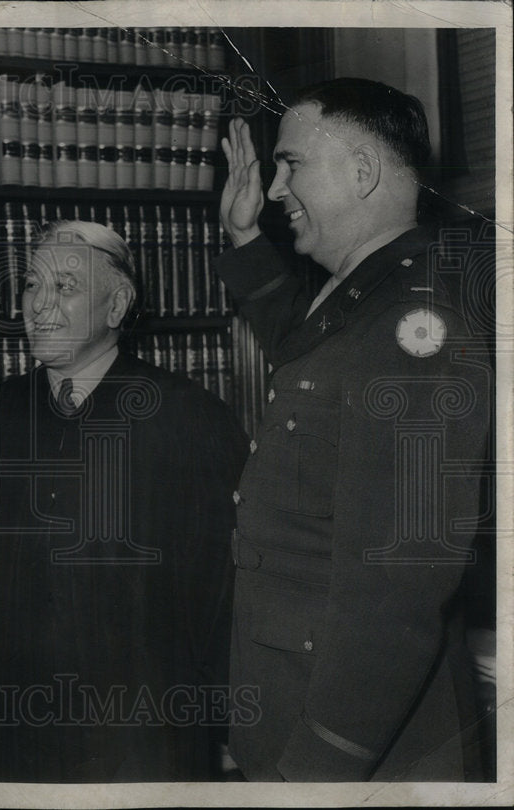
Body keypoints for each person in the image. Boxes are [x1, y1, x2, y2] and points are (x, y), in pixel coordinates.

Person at [216, 78, 491, 780]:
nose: (277, 189)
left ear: (362, 171)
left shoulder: (417, 325)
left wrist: (319, 767)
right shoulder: (373, 291)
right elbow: (309, 360)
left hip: (358, 748)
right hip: (293, 707)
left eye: (292, 165)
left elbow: (397, 590)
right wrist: (245, 237)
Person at [0, 220, 248, 781]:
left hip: (143, 742)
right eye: (31, 286)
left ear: (116, 306)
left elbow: (225, 593)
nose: (40, 306)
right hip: (4, 744)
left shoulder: (190, 420)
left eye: (64, 288)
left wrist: (224, 722)